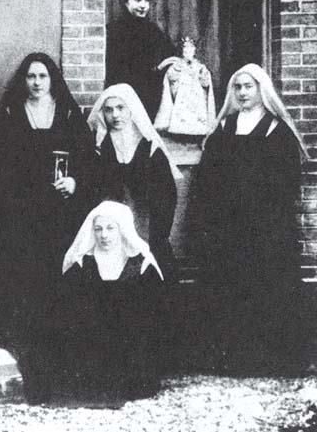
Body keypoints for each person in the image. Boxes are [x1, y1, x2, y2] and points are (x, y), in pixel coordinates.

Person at [187, 63, 308, 373]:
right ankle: (232, 359)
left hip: (265, 228)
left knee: (265, 287)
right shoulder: (224, 128)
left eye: (248, 86)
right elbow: (207, 178)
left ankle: (269, 360)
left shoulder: (276, 130)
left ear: (260, 90)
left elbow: (287, 182)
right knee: (229, 287)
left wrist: (261, 209)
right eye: (237, 87)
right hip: (227, 227)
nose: (242, 92)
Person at [0, 53, 96, 312]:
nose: (37, 82)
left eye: (43, 76)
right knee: (24, 268)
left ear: (52, 79)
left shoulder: (68, 113)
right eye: (31, 76)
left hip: (61, 207)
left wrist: (75, 182)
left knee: (58, 266)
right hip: (22, 207)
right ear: (23, 80)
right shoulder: (9, 113)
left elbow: (88, 158)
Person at [55, 201, 163, 404]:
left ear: (122, 229)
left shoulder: (140, 265)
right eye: (98, 229)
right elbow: (69, 311)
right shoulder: (83, 264)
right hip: (93, 341)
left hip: (130, 342)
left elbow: (153, 313)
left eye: (110, 228)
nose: (104, 235)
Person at [87, 83, 180, 282]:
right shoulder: (99, 147)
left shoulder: (150, 148)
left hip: (146, 227)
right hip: (108, 231)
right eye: (109, 109)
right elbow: (91, 189)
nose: (115, 115)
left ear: (131, 109)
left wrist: (155, 233)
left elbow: (167, 196)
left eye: (121, 108)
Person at [106, 0, 176, 122]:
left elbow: (170, 55)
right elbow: (119, 72)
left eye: (147, 0)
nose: (143, 5)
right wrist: (156, 69)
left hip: (152, 98)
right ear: (126, 2)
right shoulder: (114, 31)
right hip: (125, 99)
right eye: (138, 0)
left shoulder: (153, 31)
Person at [154, 36, 216, 136]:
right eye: (185, 49)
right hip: (182, 95)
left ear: (194, 51)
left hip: (196, 96)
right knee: (181, 111)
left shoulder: (199, 66)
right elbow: (171, 76)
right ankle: (180, 131)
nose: (188, 51)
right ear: (182, 51)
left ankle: (198, 130)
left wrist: (203, 76)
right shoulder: (177, 65)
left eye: (190, 49)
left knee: (198, 111)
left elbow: (206, 82)